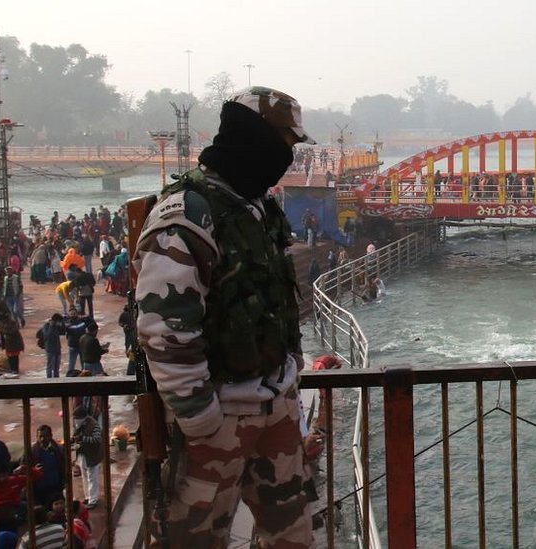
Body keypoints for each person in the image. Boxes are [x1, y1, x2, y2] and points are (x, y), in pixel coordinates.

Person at [134, 86, 316, 546]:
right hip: (218, 420)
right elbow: (164, 330)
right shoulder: (188, 215)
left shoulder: (259, 208)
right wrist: (202, 422)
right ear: (254, 138)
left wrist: (289, 386)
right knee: (195, 539)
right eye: (285, 144)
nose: (288, 157)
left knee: (292, 535)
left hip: (275, 406)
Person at [27, 425, 66, 509]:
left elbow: (64, 466)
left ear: (51, 436)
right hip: (39, 490)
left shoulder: (59, 450)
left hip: (56, 488)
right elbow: (24, 468)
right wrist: (34, 470)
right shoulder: (32, 451)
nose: (42, 439)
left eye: (45, 436)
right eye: (40, 436)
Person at [71, 406, 101, 510]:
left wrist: (83, 439)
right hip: (82, 454)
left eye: (77, 418)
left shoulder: (94, 425)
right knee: (84, 477)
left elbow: (97, 439)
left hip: (93, 455)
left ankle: (93, 500)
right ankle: (87, 497)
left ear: (83, 417)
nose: (75, 420)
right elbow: (75, 435)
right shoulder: (77, 424)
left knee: (92, 477)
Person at [40, 313, 65, 378]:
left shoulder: (57, 326)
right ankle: (49, 379)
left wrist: (63, 324)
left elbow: (63, 332)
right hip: (50, 349)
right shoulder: (46, 326)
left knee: (57, 367)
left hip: (57, 348)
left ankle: (56, 378)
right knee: (50, 366)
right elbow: (47, 336)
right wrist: (51, 326)